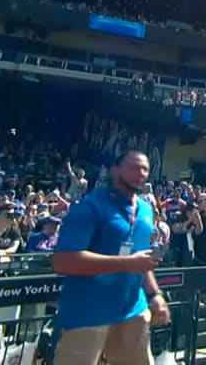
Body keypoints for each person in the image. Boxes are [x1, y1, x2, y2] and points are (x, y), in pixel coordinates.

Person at [50, 151, 170, 365]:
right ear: (115, 170)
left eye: (145, 169)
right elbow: (62, 260)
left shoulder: (145, 209)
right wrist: (127, 263)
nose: (140, 173)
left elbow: (143, 261)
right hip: (86, 314)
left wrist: (155, 294)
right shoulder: (89, 207)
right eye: (134, 167)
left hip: (133, 311)